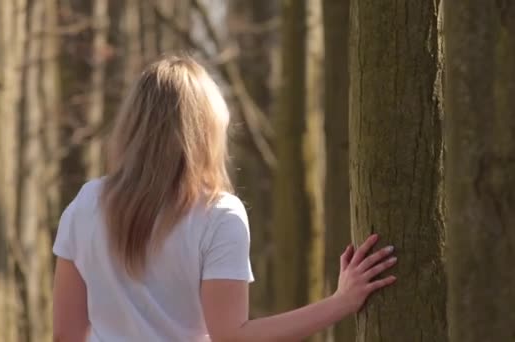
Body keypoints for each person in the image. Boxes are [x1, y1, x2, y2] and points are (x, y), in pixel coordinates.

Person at [52, 55, 398, 342]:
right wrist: (340, 303)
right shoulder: (219, 215)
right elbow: (233, 337)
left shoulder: (86, 204)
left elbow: (66, 336)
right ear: (208, 132)